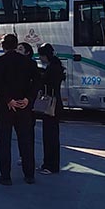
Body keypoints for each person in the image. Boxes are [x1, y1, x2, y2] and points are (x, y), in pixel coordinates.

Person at [0, 33, 40, 186]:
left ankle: (5, 176)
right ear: (16, 44)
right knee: (26, 141)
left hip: (5, 107)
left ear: (3, 46)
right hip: (24, 105)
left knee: (4, 142)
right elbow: (37, 81)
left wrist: (8, 99)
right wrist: (28, 99)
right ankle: (29, 174)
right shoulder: (28, 62)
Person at [37, 43, 66, 175]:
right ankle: (50, 164)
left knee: (49, 136)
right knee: (52, 135)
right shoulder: (57, 66)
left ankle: (50, 165)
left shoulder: (51, 69)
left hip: (51, 104)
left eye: (41, 55)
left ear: (45, 55)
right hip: (56, 103)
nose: (40, 58)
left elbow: (46, 83)